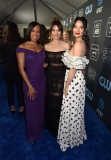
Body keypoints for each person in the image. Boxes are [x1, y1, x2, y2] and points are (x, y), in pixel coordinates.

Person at [57, 16, 90, 151]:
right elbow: (79, 63)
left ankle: (69, 139)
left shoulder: (78, 44)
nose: (77, 29)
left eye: (80, 27)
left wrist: (66, 86)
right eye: (75, 26)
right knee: (75, 110)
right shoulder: (81, 43)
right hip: (78, 81)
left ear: (85, 30)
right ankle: (74, 136)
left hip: (73, 81)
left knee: (69, 110)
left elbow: (73, 68)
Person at [16, 21, 46, 143]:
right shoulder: (22, 47)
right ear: (29, 31)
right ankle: (32, 135)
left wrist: (54, 65)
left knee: (40, 107)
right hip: (30, 82)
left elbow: (41, 64)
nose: (35, 34)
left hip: (42, 80)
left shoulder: (41, 47)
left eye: (38, 31)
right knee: (31, 109)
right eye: (33, 31)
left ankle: (39, 129)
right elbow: (21, 69)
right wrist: (29, 86)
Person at [44, 17, 70, 137]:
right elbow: (43, 63)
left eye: (58, 30)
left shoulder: (66, 45)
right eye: (53, 30)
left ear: (61, 31)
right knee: (51, 103)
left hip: (62, 78)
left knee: (60, 104)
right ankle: (51, 126)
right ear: (50, 32)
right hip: (49, 78)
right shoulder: (46, 47)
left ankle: (60, 127)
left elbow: (71, 63)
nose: (56, 33)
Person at [0, 21, 24, 114]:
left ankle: (12, 107)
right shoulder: (21, 40)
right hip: (19, 69)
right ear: (16, 29)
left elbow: (1, 57)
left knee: (10, 88)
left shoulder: (2, 41)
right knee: (19, 89)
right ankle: (21, 106)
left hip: (7, 69)